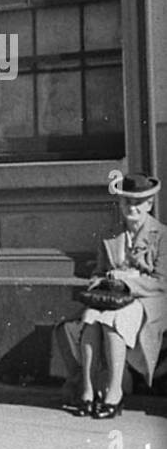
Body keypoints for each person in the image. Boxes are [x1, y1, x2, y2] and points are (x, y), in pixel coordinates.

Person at [70, 173, 167, 418]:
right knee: (90, 316)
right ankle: (89, 392)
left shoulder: (162, 235)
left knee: (115, 320)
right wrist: (103, 280)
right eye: (126, 202)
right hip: (114, 298)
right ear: (120, 204)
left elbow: (161, 282)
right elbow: (98, 272)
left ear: (149, 205)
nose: (131, 208)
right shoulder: (111, 235)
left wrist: (127, 282)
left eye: (138, 203)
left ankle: (115, 393)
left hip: (149, 300)